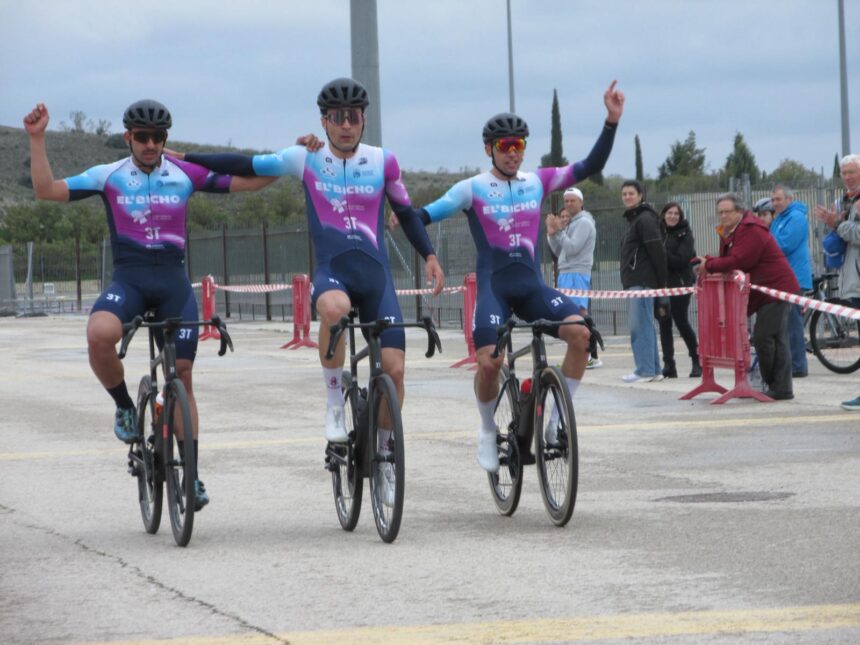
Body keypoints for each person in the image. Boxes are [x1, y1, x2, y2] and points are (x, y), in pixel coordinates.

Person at [174, 78, 444, 502]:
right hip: (334, 271)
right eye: (337, 118)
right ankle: (335, 403)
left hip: (376, 277)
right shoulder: (305, 158)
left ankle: (385, 453)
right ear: (324, 120)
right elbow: (244, 164)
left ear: (363, 120)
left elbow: (406, 212)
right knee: (333, 309)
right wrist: (185, 156)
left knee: (394, 370)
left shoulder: (383, 161)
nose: (345, 126)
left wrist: (428, 255)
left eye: (353, 117)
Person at [23, 100, 274, 510]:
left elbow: (247, 181)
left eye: (158, 137)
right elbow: (46, 190)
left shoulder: (184, 173)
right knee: (99, 335)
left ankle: (190, 474)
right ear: (128, 138)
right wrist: (36, 138)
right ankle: (124, 406)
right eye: (142, 137)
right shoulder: (109, 176)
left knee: (184, 375)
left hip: (173, 283)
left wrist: (294, 164)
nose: (151, 144)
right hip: (131, 280)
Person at [415, 81, 624, 472]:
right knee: (491, 363)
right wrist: (419, 240)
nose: (513, 153)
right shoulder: (472, 188)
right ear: (489, 148)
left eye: (519, 145)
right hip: (495, 289)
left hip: (532, 287)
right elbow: (423, 215)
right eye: (505, 146)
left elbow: (591, 166)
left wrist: (610, 121)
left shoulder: (539, 181)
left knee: (581, 334)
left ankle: (557, 418)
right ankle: (486, 429)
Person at [695, 193, 799, 400]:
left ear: (739, 211)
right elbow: (731, 258)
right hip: (765, 291)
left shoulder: (751, 229)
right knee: (774, 338)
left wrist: (710, 265)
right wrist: (710, 261)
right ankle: (780, 387)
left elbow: (741, 260)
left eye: (728, 211)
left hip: (776, 289)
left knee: (765, 336)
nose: (723, 216)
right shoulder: (732, 231)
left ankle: (776, 386)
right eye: (720, 212)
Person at [814, 153, 860, 410]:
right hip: (852, 276)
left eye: (852, 171)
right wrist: (835, 225)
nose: (848, 177)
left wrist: (838, 224)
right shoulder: (846, 200)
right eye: (844, 173)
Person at [545, 186, 601, 368]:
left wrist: (559, 232)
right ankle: (585, 352)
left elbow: (572, 248)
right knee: (573, 314)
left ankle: (590, 353)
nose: (569, 204)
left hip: (576, 272)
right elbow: (559, 251)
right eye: (566, 200)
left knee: (578, 313)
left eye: (572, 200)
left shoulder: (583, 222)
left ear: (581, 202)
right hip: (566, 271)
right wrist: (552, 234)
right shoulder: (572, 223)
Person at [619, 180, 668, 383]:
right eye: (624, 194)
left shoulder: (645, 219)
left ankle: (645, 370)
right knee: (645, 324)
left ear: (641, 195)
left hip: (642, 280)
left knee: (639, 326)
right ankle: (654, 369)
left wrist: (662, 283)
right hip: (639, 280)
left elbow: (657, 251)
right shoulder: (637, 219)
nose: (627, 197)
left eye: (631, 193)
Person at [770, 185, 812, 378]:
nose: (776, 203)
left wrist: (766, 246)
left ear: (789, 199)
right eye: (774, 200)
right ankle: (792, 363)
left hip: (794, 278)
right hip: (783, 277)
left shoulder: (796, 218)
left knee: (793, 325)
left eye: (779, 199)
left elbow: (783, 245)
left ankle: (798, 365)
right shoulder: (780, 218)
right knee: (786, 324)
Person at [657, 202, 700, 378]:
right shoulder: (658, 232)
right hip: (661, 285)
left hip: (681, 284)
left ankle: (697, 360)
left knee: (681, 322)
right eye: (669, 213)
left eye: (676, 213)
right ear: (664, 215)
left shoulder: (685, 234)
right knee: (664, 323)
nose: (673, 216)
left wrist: (660, 251)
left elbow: (681, 260)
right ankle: (669, 364)